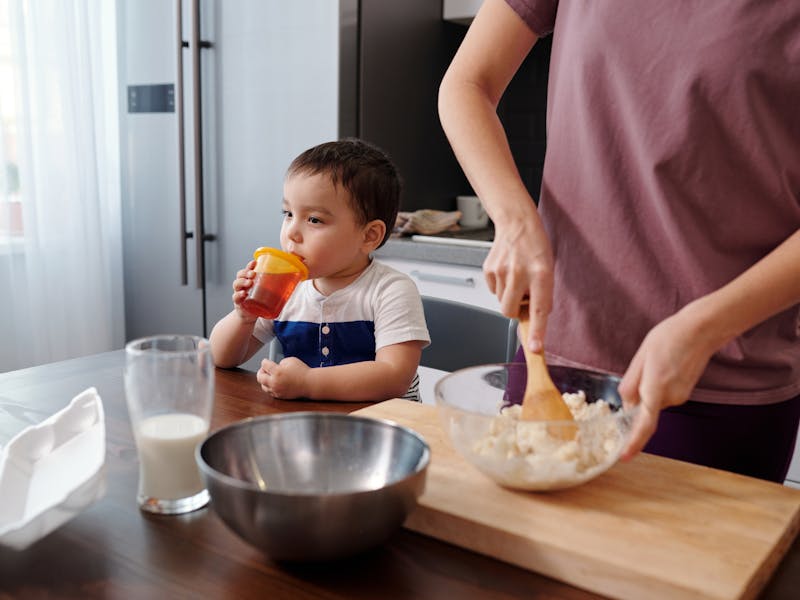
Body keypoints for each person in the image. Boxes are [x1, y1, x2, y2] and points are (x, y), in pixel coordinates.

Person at [438, 0, 800, 481]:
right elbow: (466, 84)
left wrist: (707, 327)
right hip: (555, 357)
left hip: (719, 380)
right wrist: (514, 219)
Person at [209, 139, 430, 402]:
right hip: (313, 427)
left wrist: (308, 383)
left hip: (386, 430)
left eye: (314, 219)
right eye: (288, 213)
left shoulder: (391, 290)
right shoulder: (285, 289)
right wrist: (243, 318)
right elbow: (221, 358)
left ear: (369, 236)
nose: (291, 231)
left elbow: (394, 376)